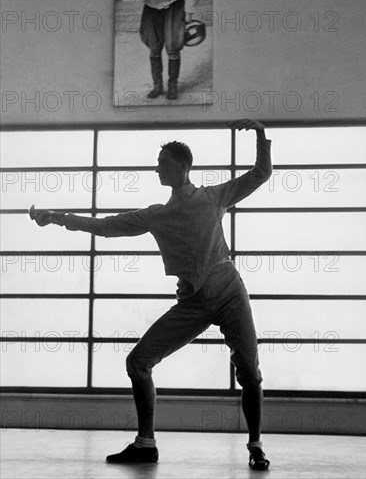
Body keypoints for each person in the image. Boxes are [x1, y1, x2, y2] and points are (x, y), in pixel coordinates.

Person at [29, 119, 272, 471]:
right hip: (192, 302)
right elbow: (105, 227)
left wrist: (261, 134)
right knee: (138, 362)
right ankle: (146, 444)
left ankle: (256, 445)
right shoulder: (157, 215)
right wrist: (57, 217)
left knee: (249, 371)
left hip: (230, 293)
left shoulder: (213, 196)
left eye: (162, 162)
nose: (156, 167)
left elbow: (260, 174)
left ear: (183, 165)